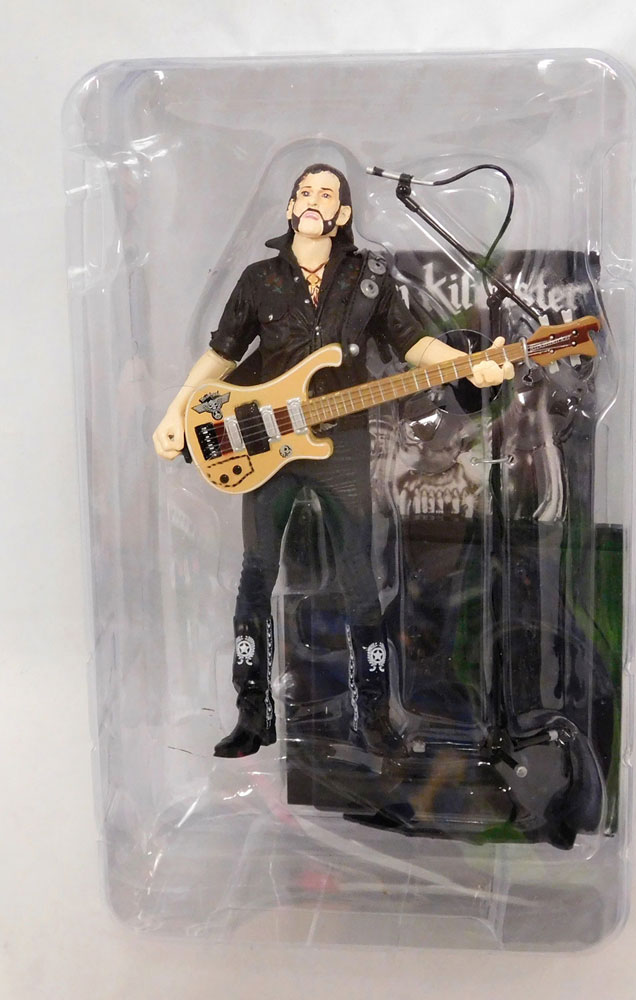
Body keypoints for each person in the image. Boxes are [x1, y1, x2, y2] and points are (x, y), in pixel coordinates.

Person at [153, 163, 513, 759]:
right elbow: (221, 355)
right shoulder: (259, 279)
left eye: (327, 193)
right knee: (256, 574)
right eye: (305, 192)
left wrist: (468, 366)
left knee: (360, 579)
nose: (314, 200)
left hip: (341, 442)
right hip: (264, 444)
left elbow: (412, 343)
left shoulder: (369, 279)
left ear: (343, 213)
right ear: (290, 208)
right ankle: (251, 713)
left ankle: (373, 716)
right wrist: (176, 410)